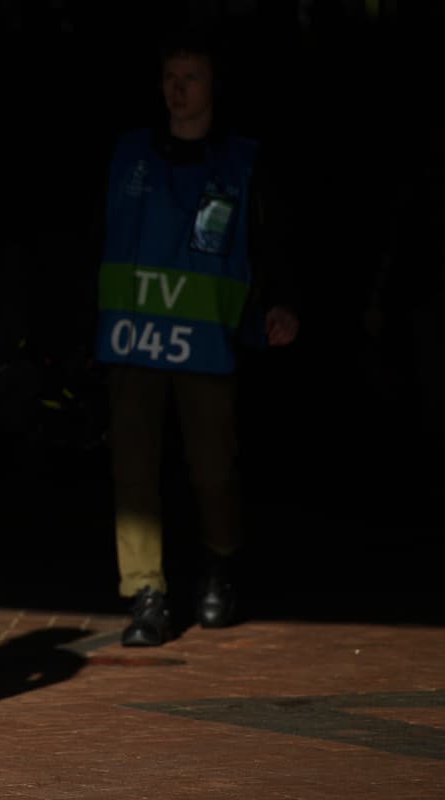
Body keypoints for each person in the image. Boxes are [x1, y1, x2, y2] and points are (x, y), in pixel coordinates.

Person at [92, 32, 299, 647]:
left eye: (191, 78)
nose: (177, 90)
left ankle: (220, 563)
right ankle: (146, 593)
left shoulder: (242, 160)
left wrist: (283, 303)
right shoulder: (128, 154)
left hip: (207, 342)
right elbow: (94, 237)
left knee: (214, 468)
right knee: (133, 471)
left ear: (213, 87)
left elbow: (275, 239)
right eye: (170, 78)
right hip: (131, 341)